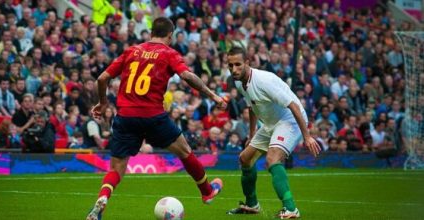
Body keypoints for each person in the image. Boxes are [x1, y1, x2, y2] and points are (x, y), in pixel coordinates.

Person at [87, 17, 227, 220]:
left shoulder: (131, 50)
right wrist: (213, 96)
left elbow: (102, 78)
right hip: (153, 116)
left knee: (117, 167)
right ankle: (207, 192)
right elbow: (187, 77)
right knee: (185, 151)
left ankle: (102, 201)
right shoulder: (168, 53)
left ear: (152, 32)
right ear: (170, 36)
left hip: (126, 116)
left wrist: (103, 102)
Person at [225, 47, 321, 218]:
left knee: (272, 159)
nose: (234, 69)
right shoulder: (239, 82)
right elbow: (252, 106)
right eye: (230, 65)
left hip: (289, 120)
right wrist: (252, 133)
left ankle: (291, 209)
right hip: (270, 123)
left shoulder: (264, 80)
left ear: (247, 62)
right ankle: (252, 204)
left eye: (238, 64)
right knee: (245, 159)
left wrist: (307, 136)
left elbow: (293, 105)